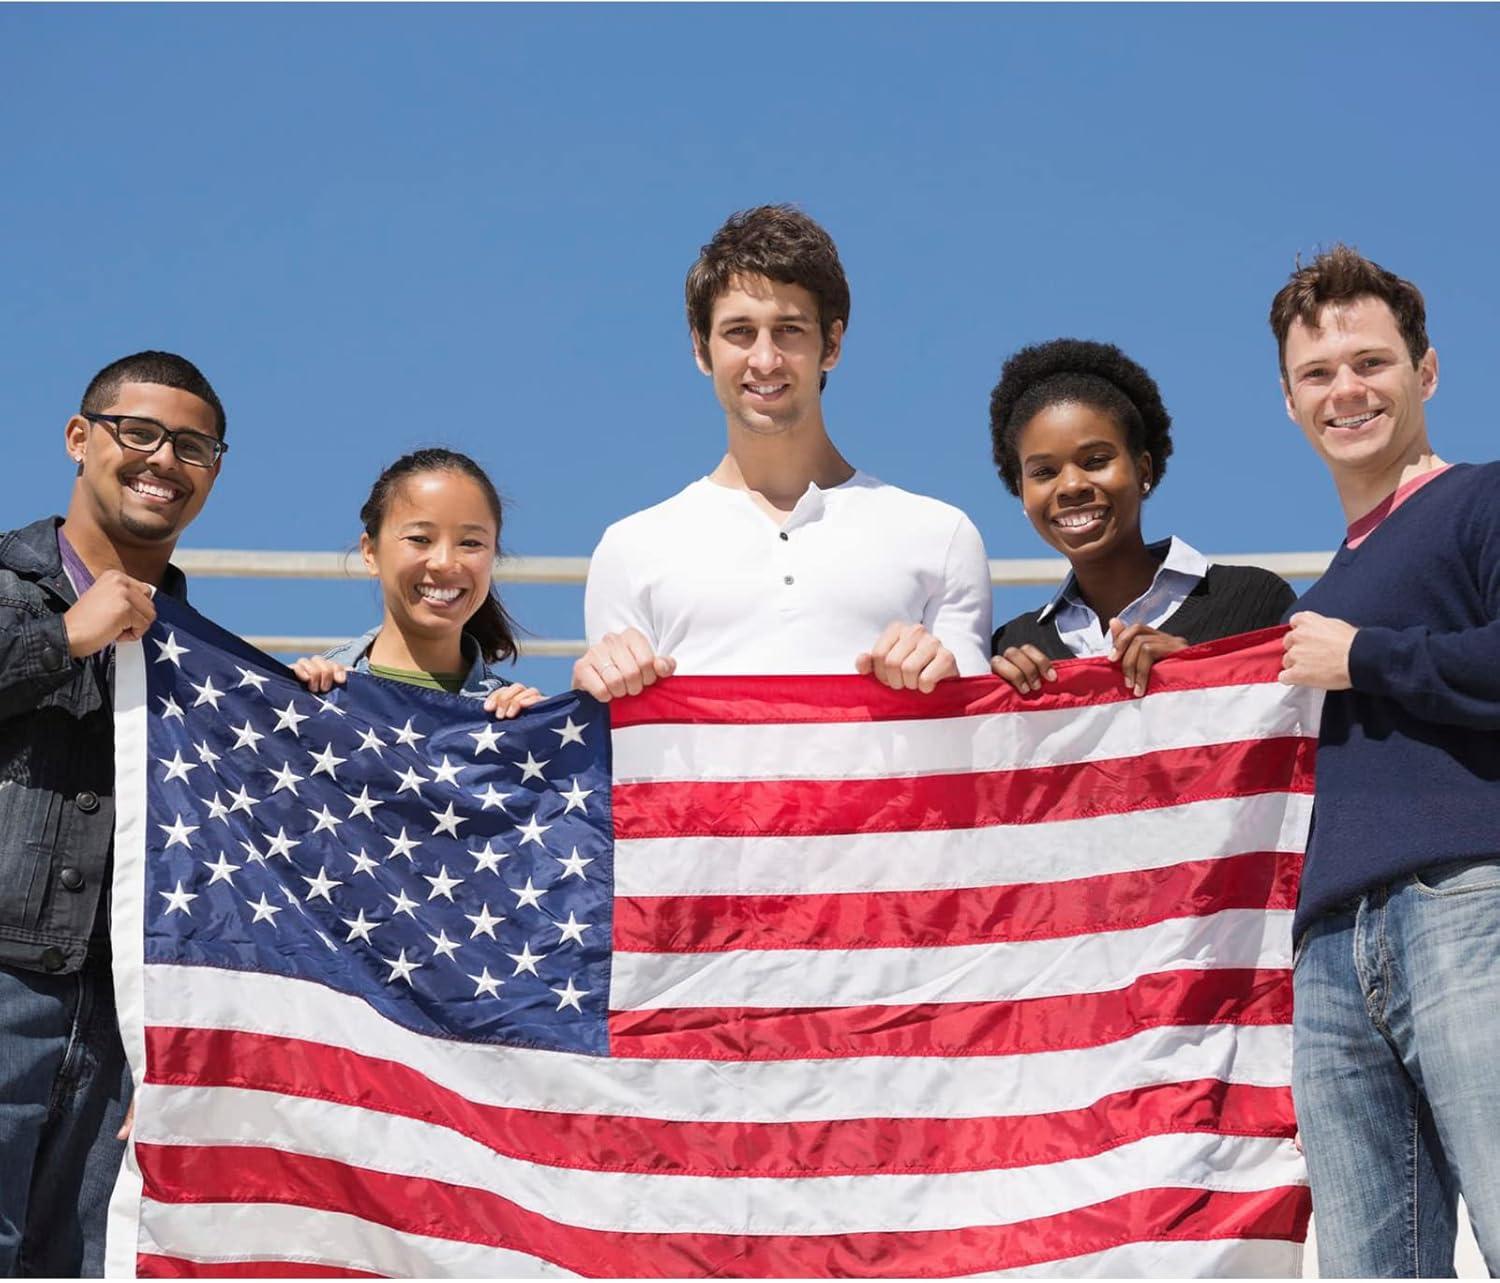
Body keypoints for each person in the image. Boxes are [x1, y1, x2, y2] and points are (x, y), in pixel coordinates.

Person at [1271, 246, 1500, 1276]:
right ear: (1288, 402)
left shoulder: (1484, 501)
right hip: (1326, 955)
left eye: (1371, 362)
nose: (1346, 390)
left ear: (1428, 371)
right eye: (1318, 374)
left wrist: (1362, 655)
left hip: (1465, 903)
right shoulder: (1317, 587)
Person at [0, 351, 228, 1275]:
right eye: (140, 432)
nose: (164, 459)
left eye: (195, 446)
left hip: (123, 1041)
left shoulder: (206, 664)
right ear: (79, 438)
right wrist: (64, 637)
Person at [572, 204, 992, 700]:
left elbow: (976, 748)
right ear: (701, 350)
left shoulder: (941, 537)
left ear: (831, 344)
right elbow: (625, 757)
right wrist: (589, 698)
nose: (765, 359)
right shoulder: (629, 551)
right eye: (739, 332)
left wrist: (948, 679)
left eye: (789, 330)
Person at [987, 338, 1293, 695]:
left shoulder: (1253, 602)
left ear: (1143, 470)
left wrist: (1200, 672)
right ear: (1021, 492)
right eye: (1044, 472)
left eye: (1096, 461)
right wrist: (998, 699)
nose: (1071, 485)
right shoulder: (1011, 646)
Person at [292, 447, 542, 717]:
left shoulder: (518, 723)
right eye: (420, 539)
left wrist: (538, 735)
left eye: (470, 543)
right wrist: (290, 701)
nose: (444, 562)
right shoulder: (306, 700)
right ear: (370, 552)